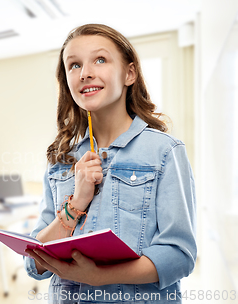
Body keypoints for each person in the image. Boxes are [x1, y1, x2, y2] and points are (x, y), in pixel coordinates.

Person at [23, 24, 196, 304]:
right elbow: (35, 263)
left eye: (100, 60)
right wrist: (76, 203)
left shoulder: (165, 151)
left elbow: (179, 256)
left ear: (129, 73)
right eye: (74, 65)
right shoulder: (60, 159)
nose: (85, 72)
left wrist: (101, 277)